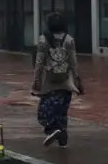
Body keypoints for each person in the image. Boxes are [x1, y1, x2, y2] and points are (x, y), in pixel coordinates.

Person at [31, 12, 83, 147]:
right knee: (62, 112)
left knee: (44, 112)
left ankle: (53, 130)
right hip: (66, 82)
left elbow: (39, 63)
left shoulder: (44, 40)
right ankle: (62, 140)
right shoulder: (69, 40)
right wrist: (78, 81)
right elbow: (74, 62)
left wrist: (36, 80)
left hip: (49, 83)